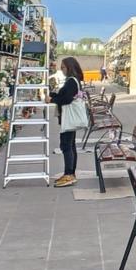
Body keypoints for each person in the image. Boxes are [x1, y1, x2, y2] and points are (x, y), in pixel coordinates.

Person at [49, 57, 88, 187]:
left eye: (63, 67)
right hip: (68, 118)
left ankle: (69, 175)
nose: (62, 69)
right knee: (70, 145)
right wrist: (54, 96)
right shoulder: (73, 80)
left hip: (69, 118)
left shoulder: (71, 81)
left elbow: (66, 99)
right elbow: (64, 96)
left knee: (66, 145)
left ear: (70, 67)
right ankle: (70, 173)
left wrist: (52, 99)